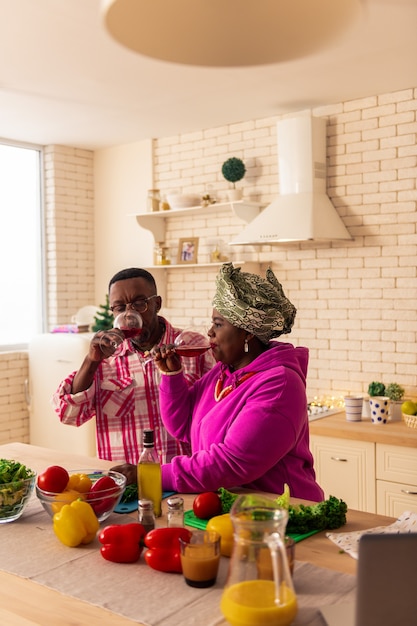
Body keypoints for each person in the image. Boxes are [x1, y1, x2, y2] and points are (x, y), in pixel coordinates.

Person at [152, 262, 324, 501]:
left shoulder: (278, 384)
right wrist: (172, 376)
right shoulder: (223, 373)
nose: (210, 332)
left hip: (283, 514)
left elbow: (233, 462)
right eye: (212, 323)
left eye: (219, 324)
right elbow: (182, 426)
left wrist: (153, 476)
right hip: (237, 510)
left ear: (247, 332)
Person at [52, 268, 215, 477]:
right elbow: (68, 414)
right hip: (126, 484)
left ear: (157, 304)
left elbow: (219, 411)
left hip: (185, 479)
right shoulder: (105, 358)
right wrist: (91, 361)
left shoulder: (191, 346)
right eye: (120, 308)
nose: (129, 315)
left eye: (139, 303)